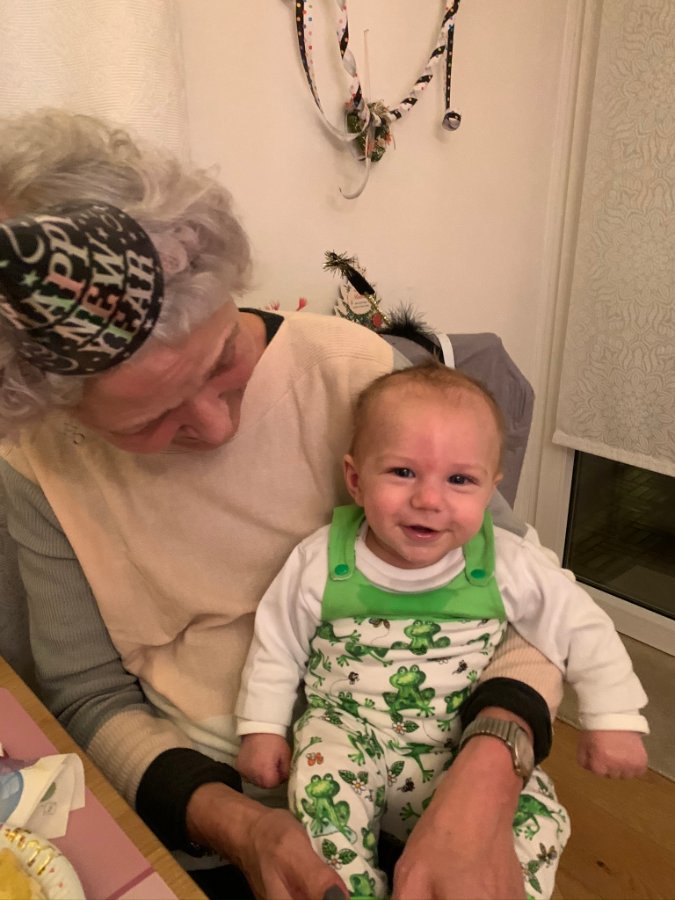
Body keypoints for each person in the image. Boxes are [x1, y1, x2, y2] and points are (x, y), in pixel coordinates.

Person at [0, 107, 565, 900]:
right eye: (146, 422)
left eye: (221, 362)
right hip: (207, 814)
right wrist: (239, 828)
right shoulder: (39, 467)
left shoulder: (355, 375)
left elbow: (531, 598)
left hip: (436, 765)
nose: (215, 427)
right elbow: (88, 695)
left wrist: (489, 770)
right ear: (60, 414)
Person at [235, 364, 648, 899]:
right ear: (356, 480)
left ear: (491, 489)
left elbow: (581, 626)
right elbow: (276, 645)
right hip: (349, 733)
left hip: (458, 744)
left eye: (459, 480)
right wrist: (263, 728)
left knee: (539, 819)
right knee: (319, 790)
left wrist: (613, 717)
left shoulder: (507, 563)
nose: (429, 500)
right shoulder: (320, 560)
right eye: (403, 472)